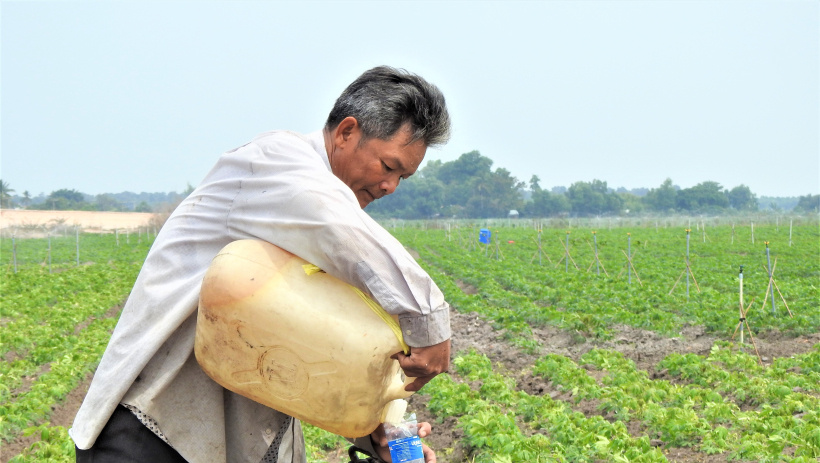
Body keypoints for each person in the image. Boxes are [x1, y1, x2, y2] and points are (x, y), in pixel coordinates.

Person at [70, 66, 453, 463]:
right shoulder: (276, 163)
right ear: (346, 132)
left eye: (403, 177)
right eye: (388, 167)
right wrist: (428, 319)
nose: (390, 186)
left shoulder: (329, 235)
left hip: (231, 441)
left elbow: (332, 347)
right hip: (150, 429)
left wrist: (382, 434)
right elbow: (338, 228)